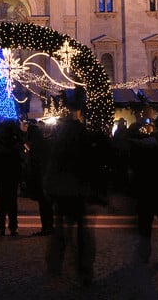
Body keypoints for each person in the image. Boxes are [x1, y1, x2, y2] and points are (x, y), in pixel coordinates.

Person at [44, 111, 95, 286]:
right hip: (79, 192)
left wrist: (49, 189)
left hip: (62, 192)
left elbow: (53, 168)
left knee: (61, 227)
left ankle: (56, 262)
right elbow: (91, 168)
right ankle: (83, 267)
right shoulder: (84, 146)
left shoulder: (60, 146)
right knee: (82, 229)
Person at [126, 115, 158, 264]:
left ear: (157, 126)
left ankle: (144, 252)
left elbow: (136, 148)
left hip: (148, 188)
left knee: (145, 223)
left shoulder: (153, 141)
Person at [0, 120, 23, 236]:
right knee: (12, 200)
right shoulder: (16, 141)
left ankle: (0, 226)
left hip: (0, 172)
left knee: (1, 200)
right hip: (13, 172)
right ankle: (13, 226)